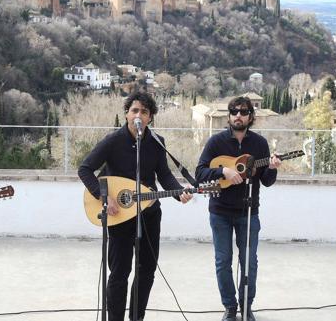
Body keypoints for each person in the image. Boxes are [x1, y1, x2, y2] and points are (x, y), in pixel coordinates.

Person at [78, 91, 193, 321]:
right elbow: (85, 169)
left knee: (146, 271)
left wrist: (178, 193)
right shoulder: (113, 141)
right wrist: (103, 196)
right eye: (134, 110)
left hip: (149, 214)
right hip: (119, 215)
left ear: (150, 117)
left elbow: (164, 175)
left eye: (144, 111)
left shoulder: (157, 142)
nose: (138, 115)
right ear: (127, 114)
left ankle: (136, 318)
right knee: (119, 272)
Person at [195, 96, 281, 321]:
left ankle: (246, 305)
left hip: (249, 211)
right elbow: (200, 173)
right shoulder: (216, 143)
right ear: (229, 116)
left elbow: (267, 181)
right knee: (223, 261)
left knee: (249, 262)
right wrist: (223, 171)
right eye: (234, 112)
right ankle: (230, 307)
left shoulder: (259, 144)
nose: (238, 115)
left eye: (243, 112)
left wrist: (272, 167)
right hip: (220, 212)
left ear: (250, 116)